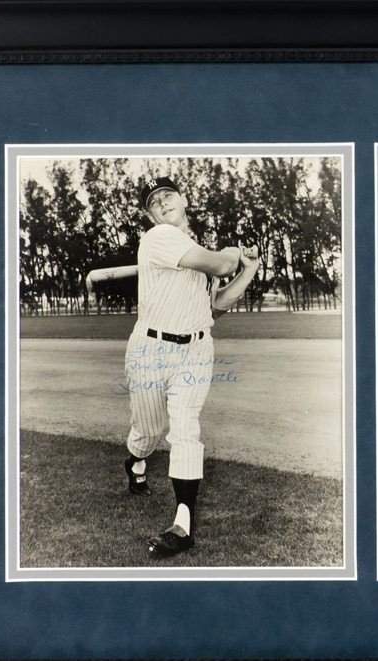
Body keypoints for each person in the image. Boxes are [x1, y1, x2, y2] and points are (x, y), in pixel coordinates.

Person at [123, 176, 261, 557]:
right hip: (150, 348)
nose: (163, 203)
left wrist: (247, 270)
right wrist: (232, 254)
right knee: (148, 433)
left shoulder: (192, 248)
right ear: (150, 216)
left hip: (197, 350)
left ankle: (182, 525)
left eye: (168, 195)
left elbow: (216, 305)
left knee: (185, 429)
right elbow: (219, 265)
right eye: (154, 202)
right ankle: (135, 461)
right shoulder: (158, 239)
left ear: (183, 200)